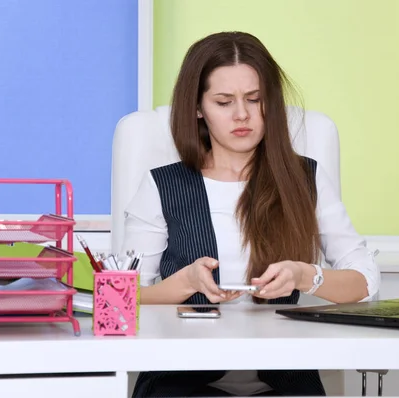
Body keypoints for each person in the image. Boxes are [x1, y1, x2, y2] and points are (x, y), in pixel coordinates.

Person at [122, 31, 380, 397]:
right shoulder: (161, 186)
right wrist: (187, 283)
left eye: (255, 99)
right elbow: (124, 296)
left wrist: (305, 276)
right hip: (182, 379)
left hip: (286, 378)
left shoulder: (304, 178)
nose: (242, 115)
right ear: (198, 108)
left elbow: (366, 283)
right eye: (224, 102)